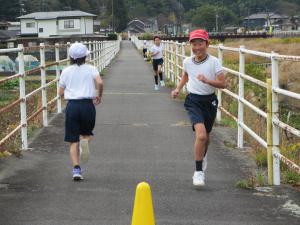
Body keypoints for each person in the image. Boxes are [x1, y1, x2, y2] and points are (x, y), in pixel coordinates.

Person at [171, 29, 226, 187]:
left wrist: (208, 81)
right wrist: (177, 89)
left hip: (209, 101)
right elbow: (186, 75)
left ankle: (202, 156)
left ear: (207, 44)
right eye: (194, 44)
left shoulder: (214, 62)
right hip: (193, 100)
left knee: (206, 138)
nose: (197, 47)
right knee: (201, 136)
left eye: (200, 43)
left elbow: (223, 84)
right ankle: (198, 172)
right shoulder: (187, 61)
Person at [59, 42, 103, 181]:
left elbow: (60, 92)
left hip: (72, 105)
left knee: (73, 141)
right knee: (86, 135)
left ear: (71, 57)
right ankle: (85, 143)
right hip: (87, 105)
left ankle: (76, 170)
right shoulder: (91, 68)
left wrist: (67, 97)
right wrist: (99, 95)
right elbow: (100, 82)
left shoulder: (66, 71)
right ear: (85, 56)